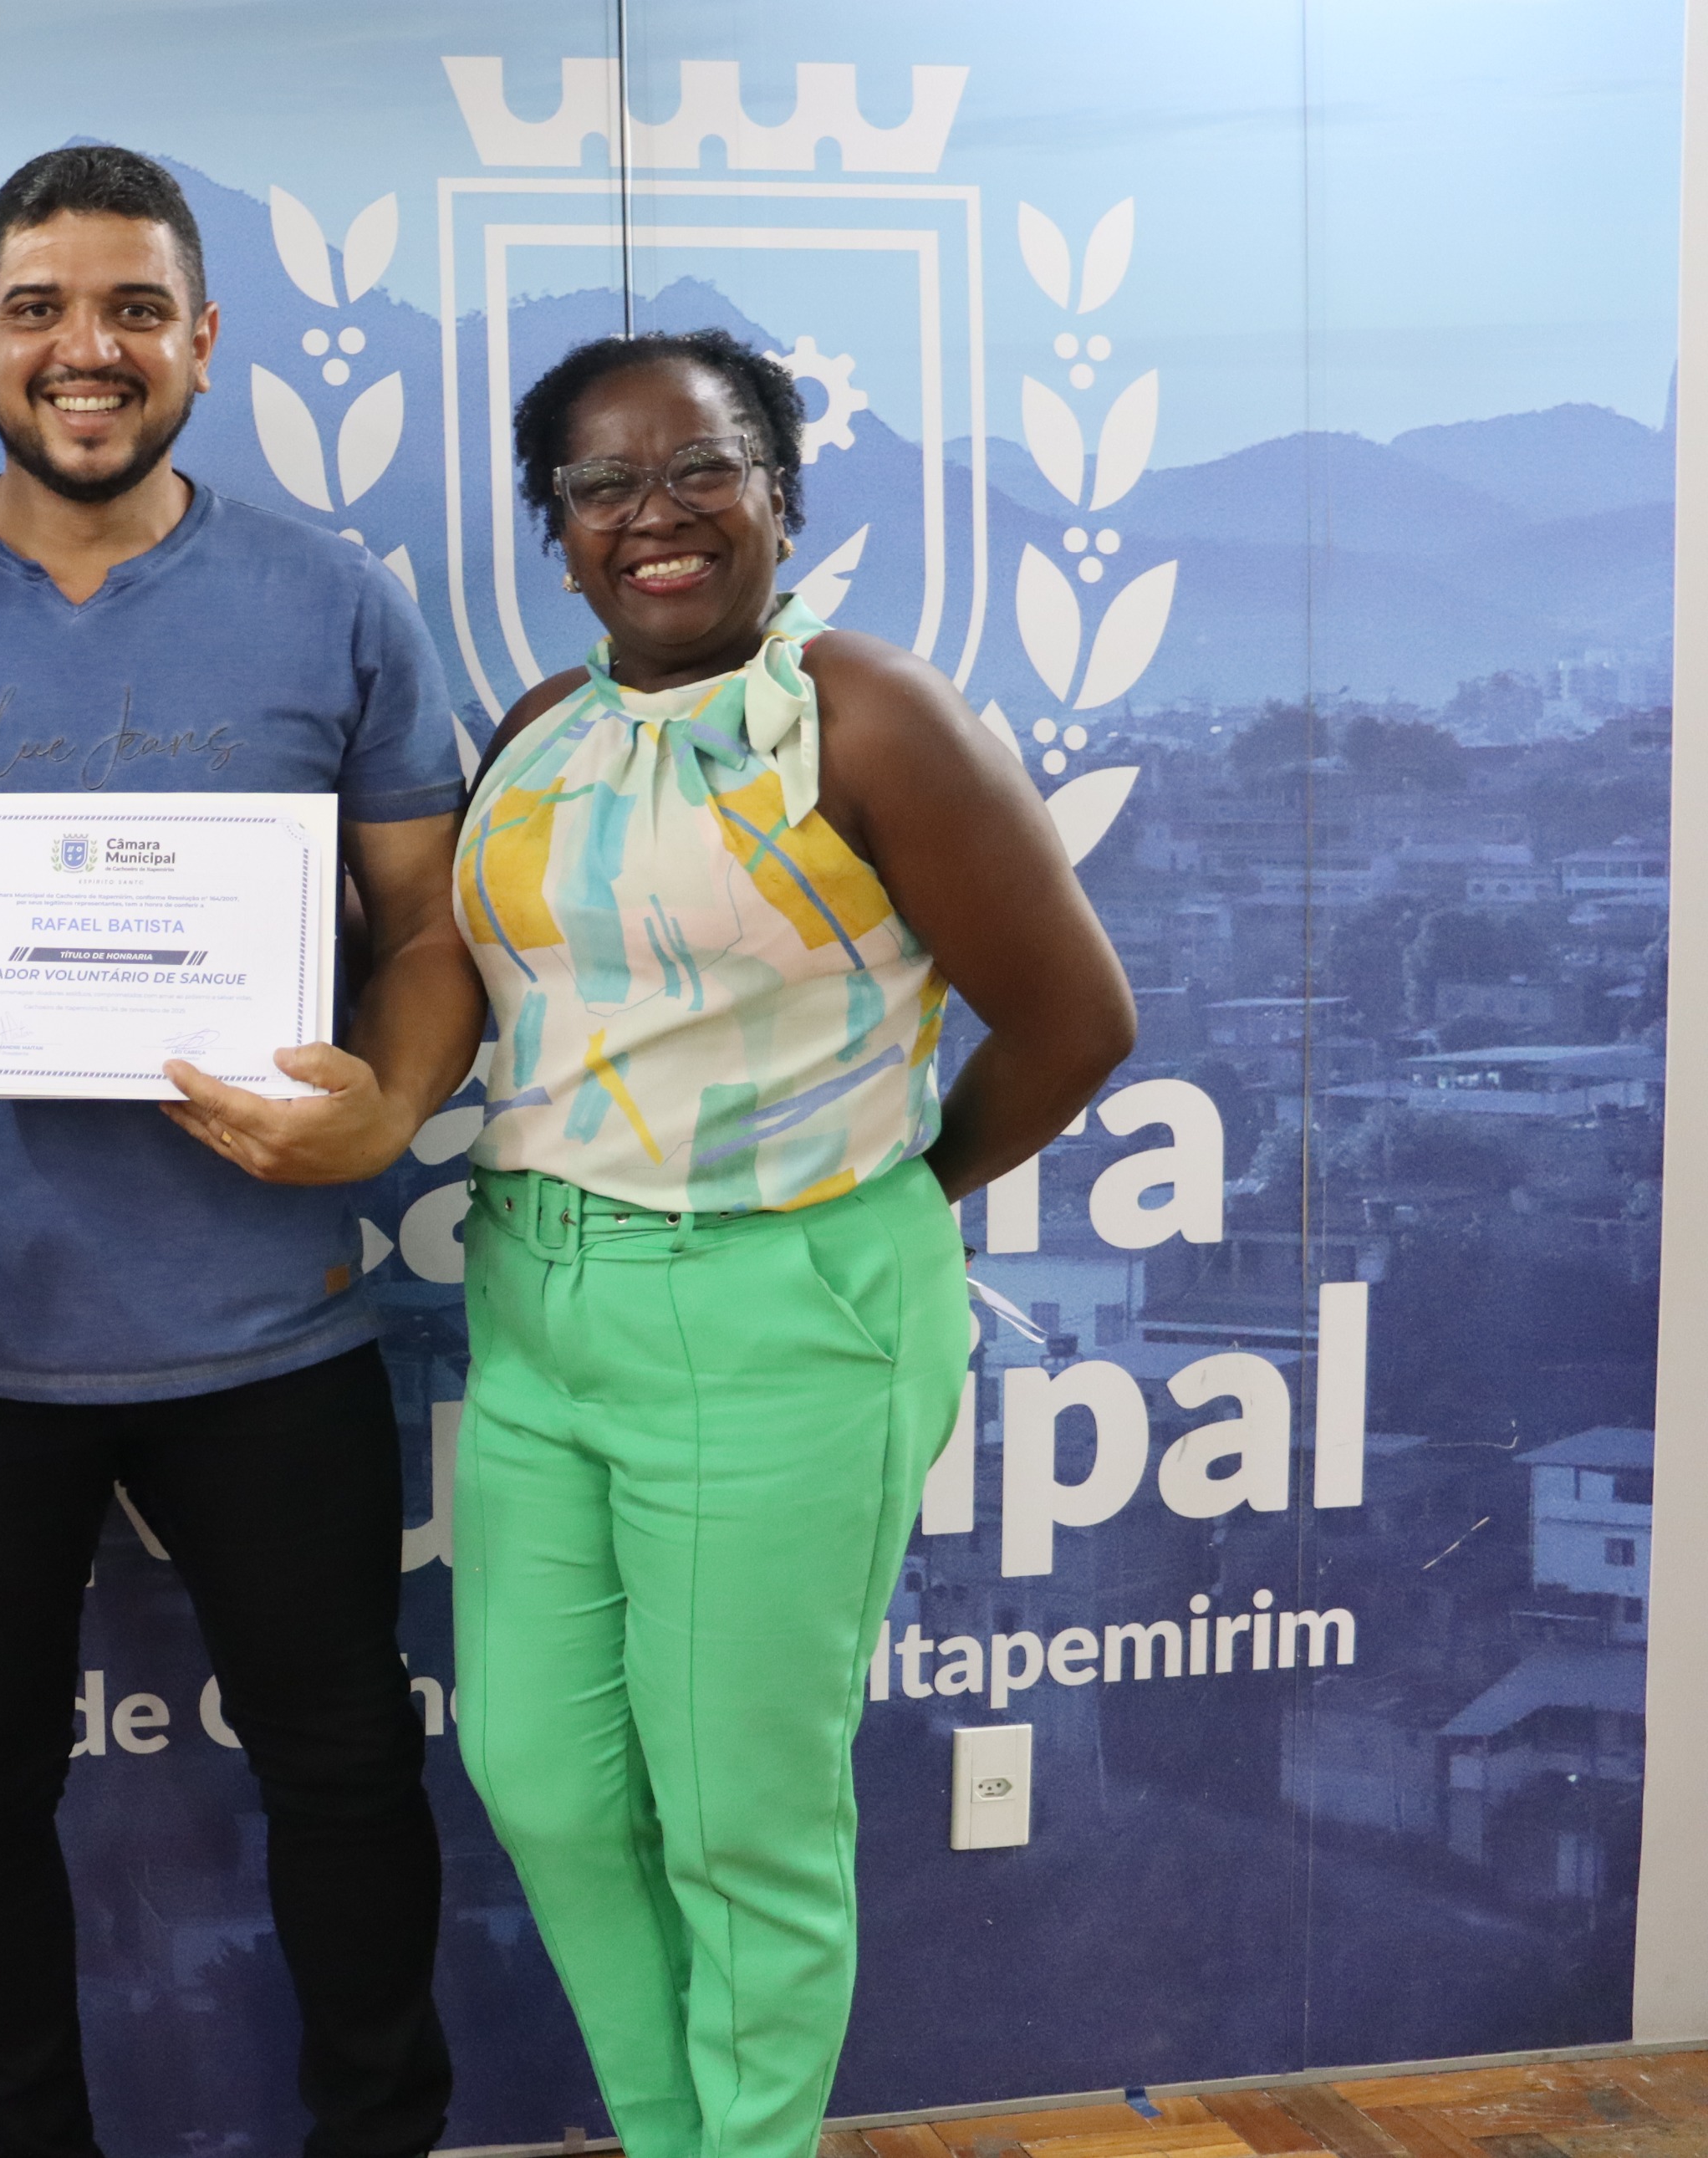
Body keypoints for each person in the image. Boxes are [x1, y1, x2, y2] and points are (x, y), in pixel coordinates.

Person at [0, 145, 478, 2158]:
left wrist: (391, 1106)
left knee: (344, 1771)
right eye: (39, 308)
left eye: (134, 308)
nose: (87, 348)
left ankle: (376, 2136)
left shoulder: (335, 605)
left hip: (272, 1326)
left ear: (202, 342)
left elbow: (427, 928)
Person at [448, 326, 1138, 2158]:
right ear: (556, 530)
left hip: (780, 1311)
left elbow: (1075, 1023)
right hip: (538, 1306)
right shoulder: (541, 730)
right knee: (546, 1782)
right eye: (602, 484)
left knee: (741, 1823)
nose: (655, 514)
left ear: (780, 495)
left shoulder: (871, 715)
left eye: (703, 467)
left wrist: (873, 1206)